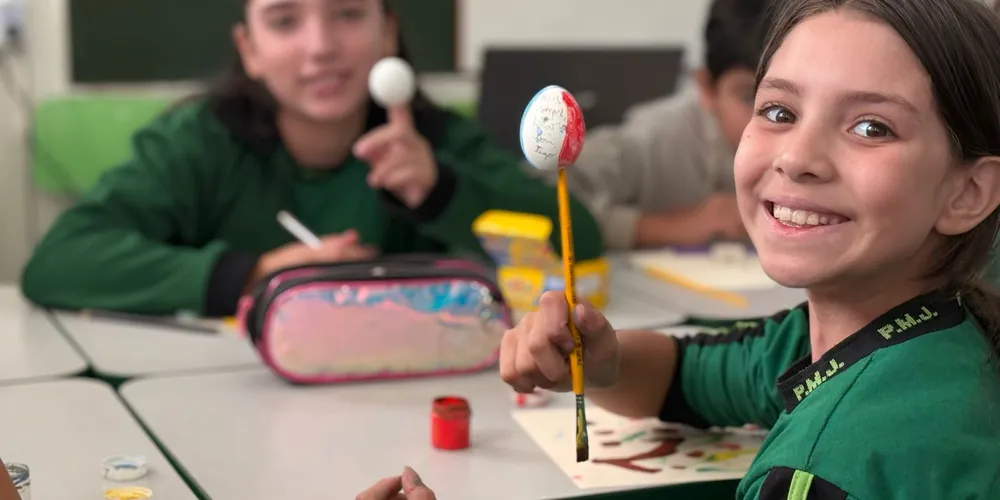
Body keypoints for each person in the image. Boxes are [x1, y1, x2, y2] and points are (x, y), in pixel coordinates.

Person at [357, 0, 1000, 497]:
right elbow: (691, 374)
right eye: (779, 111)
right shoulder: (901, 333)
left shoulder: (826, 467)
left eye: (870, 126)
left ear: (968, 191)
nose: (798, 156)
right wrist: (601, 361)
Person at [19, 0, 603, 317]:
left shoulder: (436, 140)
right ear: (249, 48)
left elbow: (584, 240)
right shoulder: (197, 142)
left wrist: (443, 191)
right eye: (284, 21)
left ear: (387, 33)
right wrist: (256, 273)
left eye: (348, 13)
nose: (321, 47)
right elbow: (58, 262)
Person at [554, 0, 770, 250]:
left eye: (786, 101)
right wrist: (671, 227)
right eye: (748, 96)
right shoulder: (654, 138)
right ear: (706, 88)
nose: (769, 117)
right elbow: (544, 201)